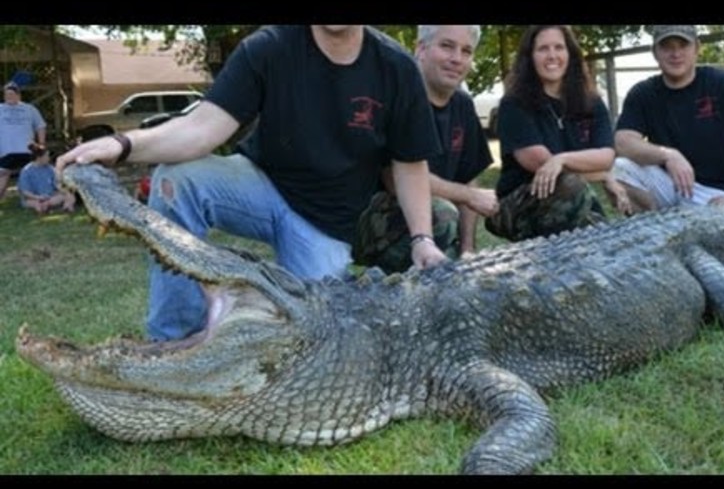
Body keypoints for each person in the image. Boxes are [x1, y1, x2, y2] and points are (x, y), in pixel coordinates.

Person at [56, 25, 447, 341]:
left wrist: (422, 240)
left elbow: (409, 163)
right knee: (177, 180)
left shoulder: (395, 66)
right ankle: (174, 340)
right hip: (259, 186)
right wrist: (121, 143)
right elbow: (200, 129)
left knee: (316, 338)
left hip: (327, 222)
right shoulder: (268, 46)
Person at [353, 25, 499, 272]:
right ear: (420, 48)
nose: (457, 59)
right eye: (447, 46)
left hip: (432, 224)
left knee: (456, 263)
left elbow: (469, 178)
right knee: (442, 214)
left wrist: (468, 250)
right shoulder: (395, 93)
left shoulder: (463, 105)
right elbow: (392, 179)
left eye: (466, 51)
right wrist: (469, 195)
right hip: (369, 221)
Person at [612, 25, 724, 213]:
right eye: (667, 46)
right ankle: (653, 230)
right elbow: (622, 142)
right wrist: (669, 155)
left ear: (697, 49)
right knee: (617, 169)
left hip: (715, 194)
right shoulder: (643, 93)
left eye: (683, 45)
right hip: (670, 183)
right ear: (655, 52)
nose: (675, 53)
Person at [486, 25, 619, 242]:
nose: (552, 56)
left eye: (559, 47)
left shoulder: (592, 101)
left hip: (572, 194)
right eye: (543, 49)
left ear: (570, 54)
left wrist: (563, 158)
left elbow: (606, 156)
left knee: (603, 237)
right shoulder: (514, 103)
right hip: (517, 202)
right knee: (571, 187)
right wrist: (603, 175)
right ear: (530, 57)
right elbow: (540, 164)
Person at [0, 81, 47, 201]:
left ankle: (38, 198)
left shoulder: (29, 109)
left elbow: (40, 126)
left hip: (27, 149)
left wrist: (41, 144)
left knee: (32, 174)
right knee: (3, 175)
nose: (9, 97)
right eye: (7, 95)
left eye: (12, 94)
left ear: (19, 95)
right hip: (5, 151)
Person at [17, 145, 75, 214]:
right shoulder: (26, 171)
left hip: (49, 196)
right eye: (47, 156)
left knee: (69, 196)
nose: (49, 158)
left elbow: (57, 184)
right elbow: (25, 192)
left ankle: (62, 207)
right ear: (39, 158)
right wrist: (38, 197)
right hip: (32, 198)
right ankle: (44, 207)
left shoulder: (50, 168)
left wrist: (65, 192)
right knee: (36, 204)